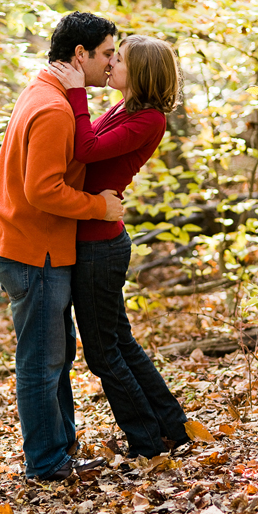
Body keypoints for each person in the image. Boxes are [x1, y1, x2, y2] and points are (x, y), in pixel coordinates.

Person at [0, 12, 123, 481]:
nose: (112, 64)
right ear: (80, 54)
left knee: (55, 355)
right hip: (34, 253)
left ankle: (59, 452)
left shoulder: (47, 91)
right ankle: (47, 465)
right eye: (107, 53)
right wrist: (98, 208)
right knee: (42, 362)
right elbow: (42, 190)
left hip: (33, 248)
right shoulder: (52, 108)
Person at [46, 35, 190, 460]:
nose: (110, 65)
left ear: (141, 72)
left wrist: (75, 91)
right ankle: (173, 428)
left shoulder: (149, 119)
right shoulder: (126, 108)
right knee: (120, 343)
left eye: (119, 59)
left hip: (99, 248)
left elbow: (85, 148)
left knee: (104, 353)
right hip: (96, 239)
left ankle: (146, 444)